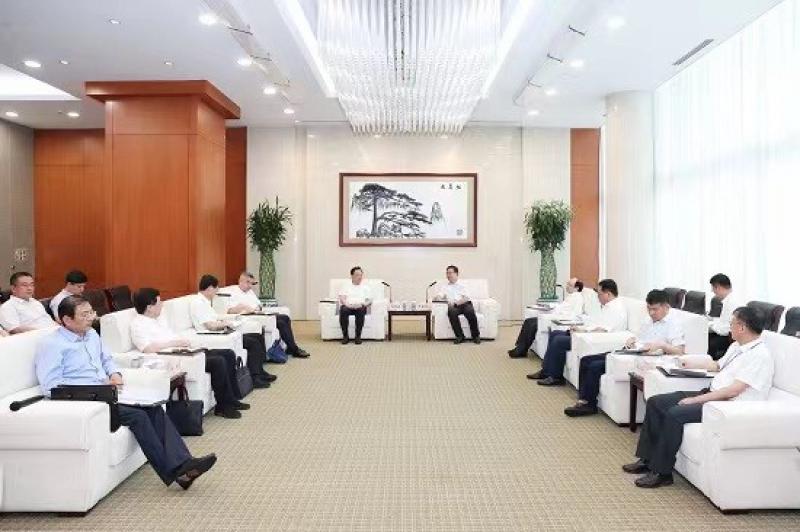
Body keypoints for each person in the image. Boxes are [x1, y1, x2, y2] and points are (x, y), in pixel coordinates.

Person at [35, 295, 217, 490]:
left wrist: (115, 373)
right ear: (67, 319)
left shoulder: (92, 335)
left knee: (154, 408)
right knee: (138, 416)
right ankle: (177, 472)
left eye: (91, 313)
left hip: (108, 393)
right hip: (85, 400)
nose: (91, 318)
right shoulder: (52, 344)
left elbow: (107, 360)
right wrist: (95, 389)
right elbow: (51, 386)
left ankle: (184, 464)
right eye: (84, 315)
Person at [623, 306, 773, 488]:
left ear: (742, 327)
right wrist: (686, 363)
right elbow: (717, 366)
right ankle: (647, 460)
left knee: (674, 413)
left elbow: (733, 391)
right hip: (711, 394)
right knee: (656, 402)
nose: (729, 327)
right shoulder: (737, 346)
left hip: (726, 405)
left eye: (732, 323)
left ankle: (662, 472)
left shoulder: (759, 355)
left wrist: (695, 400)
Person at [564, 289, 686, 417]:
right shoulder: (648, 320)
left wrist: (661, 345)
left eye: (655, 309)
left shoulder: (674, 324)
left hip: (644, 358)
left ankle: (588, 405)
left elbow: (680, 352)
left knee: (595, 366)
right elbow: (639, 337)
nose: (651, 313)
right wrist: (632, 340)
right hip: (632, 351)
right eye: (649, 309)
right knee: (586, 360)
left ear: (666, 307)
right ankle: (583, 400)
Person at [131, 287, 248, 419]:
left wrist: (186, 342)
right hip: (175, 358)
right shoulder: (138, 324)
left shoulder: (158, 320)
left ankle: (232, 399)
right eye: (159, 302)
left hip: (185, 351)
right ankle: (223, 407)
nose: (162, 305)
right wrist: (175, 343)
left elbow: (173, 335)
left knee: (228, 354)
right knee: (218, 362)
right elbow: (147, 348)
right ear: (149, 307)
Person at [530, 278, 627, 385]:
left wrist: (582, 331)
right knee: (555, 333)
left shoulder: (616, 309)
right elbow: (595, 322)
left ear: (608, 294)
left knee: (558, 340)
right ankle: (546, 371)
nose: (598, 297)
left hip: (595, 339)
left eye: (599, 294)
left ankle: (556, 377)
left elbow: (603, 330)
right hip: (587, 334)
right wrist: (579, 327)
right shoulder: (607, 306)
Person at [190, 274, 274, 389]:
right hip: (214, 335)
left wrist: (231, 319)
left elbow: (215, 317)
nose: (216, 292)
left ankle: (260, 372)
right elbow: (210, 325)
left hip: (221, 331)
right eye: (216, 289)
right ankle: (254, 378)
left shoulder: (205, 301)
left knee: (257, 337)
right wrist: (226, 324)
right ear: (209, 288)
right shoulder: (198, 303)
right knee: (253, 343)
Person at [225, 271, 309, 358]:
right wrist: (244, 307)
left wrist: (258, 308)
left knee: (285, 318)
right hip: (248, 316)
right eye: (248, 282)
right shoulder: (233, 292)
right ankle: (294, 349)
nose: (250, 286)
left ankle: (291, 348)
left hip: (258, 314)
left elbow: (259, 304)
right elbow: (230, 311)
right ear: (240, 281)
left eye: (251, 283)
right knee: (280, 322)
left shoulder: (250, 292)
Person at [508, 278, 584, 358]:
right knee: (528, 321)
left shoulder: (577, 297)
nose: (567, 286)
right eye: (567, 284)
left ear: (577, 288)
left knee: (533, 324)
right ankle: (520, 348)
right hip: (555, 316)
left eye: (570, 285)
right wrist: (550, 307)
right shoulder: (572, 296)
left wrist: (552, 309)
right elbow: (562, 307)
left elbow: (571, 313)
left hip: (559, 319)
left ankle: (521, 350)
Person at [436, 265, 480, 345]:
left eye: (450, 273)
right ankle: (460, 336)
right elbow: (439, 296)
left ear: (456, 273)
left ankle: (476, 336)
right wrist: (440, 298)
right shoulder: (445, 287)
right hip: (454, 306)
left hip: (465, 304)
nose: (448, 275)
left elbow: (466, 298)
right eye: (447, 273)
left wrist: (456, 303)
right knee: (451, 312)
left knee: (470, 312)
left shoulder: (462, 285)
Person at [707, 273, 740, 359]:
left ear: (718, 287)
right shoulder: (730, 299)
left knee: (708, 340)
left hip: (732, 337)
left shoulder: (731, 303)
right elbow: (724, 322)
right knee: (707, 335)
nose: (712, 291)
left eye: (713, 288)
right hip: (730, 333)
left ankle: (710, 363)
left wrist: (710, 325)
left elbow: (724, 330)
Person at [338, 266, 372, 345]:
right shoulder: (346, 286)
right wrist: (348, 305)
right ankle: (345, 336)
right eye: (357, 275)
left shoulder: (365, 287)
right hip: (348, 306)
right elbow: (342, 298)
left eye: (361, 275)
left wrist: (363, 304)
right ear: (352, 276)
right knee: (343, 310)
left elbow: (370, 300)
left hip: (360, 306)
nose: (359, 277)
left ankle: (358, 337)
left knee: (361, 310)